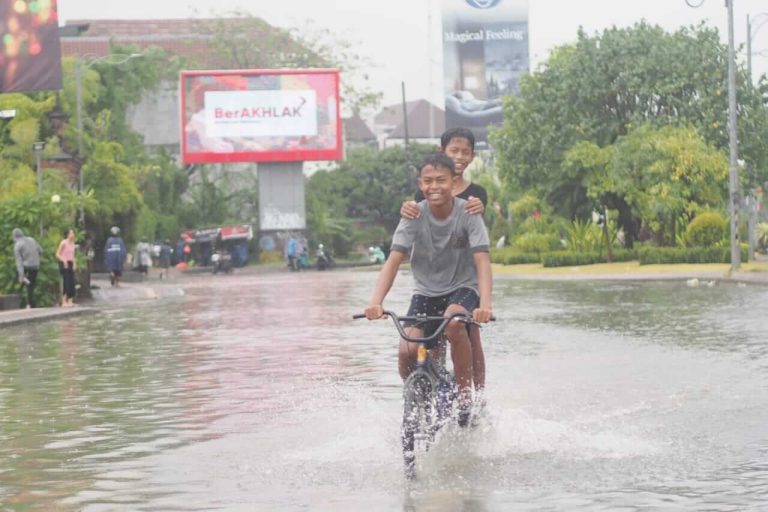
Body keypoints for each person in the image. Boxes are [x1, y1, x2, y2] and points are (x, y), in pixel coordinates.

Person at [364, 153, 493, 427]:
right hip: (425, 292)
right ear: (420, 184)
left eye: (441, 181)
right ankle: (419, 391)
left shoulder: (469, 212)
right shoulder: (412, 215)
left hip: (462, 288)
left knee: (456, 323)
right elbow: (394, 259)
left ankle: (464, 395)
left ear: (453, 181)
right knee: (407, 351)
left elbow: (482, 261)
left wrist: (486, 306)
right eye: (428, 181)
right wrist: (375, 302)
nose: (435, 187)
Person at [400, 127, 490, 396]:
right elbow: (419, 217)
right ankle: (435, 385)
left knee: (468, 331)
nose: (459, 157)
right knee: (432, 339)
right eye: (454, 151)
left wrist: (485, 302)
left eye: (465, 152)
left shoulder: (476, 195)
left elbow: (473, 220)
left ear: (472, 156)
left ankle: (475, 393)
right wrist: (406, 208)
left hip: (465, 276)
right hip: (435, 277)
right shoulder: (428, 191)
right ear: (442, 152)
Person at [12, 228, 42, 309]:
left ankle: (19, 299)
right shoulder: (32, 239)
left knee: (19, 280)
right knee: (31, 286)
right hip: (35, 265)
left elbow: (19, 262)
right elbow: (40, 250)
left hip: (26, 266)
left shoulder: (17, 245)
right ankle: (31, 304)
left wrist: (21, 275)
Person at [55, 228, 77, 307]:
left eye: (73, 233)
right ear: (67, 235)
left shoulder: (73, 244)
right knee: (66, 281)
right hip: (64, 263)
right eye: (71, 233)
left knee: (72, 282)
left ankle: (70, 300)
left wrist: (74, 263)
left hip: (70, 262)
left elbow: (73, 255)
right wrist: (63, 261)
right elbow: (57, 254)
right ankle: (64, 301)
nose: (73, 235)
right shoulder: (63, 243)